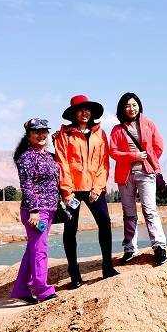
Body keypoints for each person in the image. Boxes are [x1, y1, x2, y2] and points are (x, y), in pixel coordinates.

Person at [53, 94, 119, 287]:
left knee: (105, 223)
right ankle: (74, 272)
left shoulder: (100, 134)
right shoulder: (64, 135)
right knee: (70, 229)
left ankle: (107, 266)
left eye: (87, 109)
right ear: (74, 113)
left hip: (94, 188)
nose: (85, 112)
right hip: (72, 189)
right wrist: (67, 192)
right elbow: (61, 164)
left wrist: (97, 187)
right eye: (80, 109)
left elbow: (104, 163)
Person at [109, 92, 167, 265]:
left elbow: (158, 146)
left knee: (150, 210)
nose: (131, 108)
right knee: (129, 214)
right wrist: (134, 155)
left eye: (134, 105)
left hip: (146, 173)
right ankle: (130, 249)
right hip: (125, 176)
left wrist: (149, 160)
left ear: (139, 106)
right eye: (127, 105)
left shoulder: (149, 124)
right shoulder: (117, 129)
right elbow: (113, 152)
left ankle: (159, 246)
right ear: (122, 108)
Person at [10, 118, 59, 304]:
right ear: (28, 135)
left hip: (49, 209)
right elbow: (27, 186)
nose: (41, 135)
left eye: (44, 131)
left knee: (33, 249)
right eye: (36, 132)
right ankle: (42, 290)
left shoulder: (47, 155)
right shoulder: (26, 157)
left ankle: (22, 289)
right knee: (40, 250)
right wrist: (34, 211)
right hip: (36, 212)